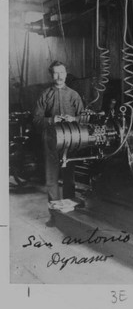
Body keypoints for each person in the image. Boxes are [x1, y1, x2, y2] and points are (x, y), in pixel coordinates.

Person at [33, 60, 84, 203]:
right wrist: (51, 120)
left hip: (70, 141)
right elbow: (36, 120)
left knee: (69, 178)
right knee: (51, 179)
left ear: (66, 74)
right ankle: (54, 213)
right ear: (51, 75)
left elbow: (85, 119)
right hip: (50, 142)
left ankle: (69, 209)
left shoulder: (74, 95)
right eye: (56, 73)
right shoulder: (45, 95)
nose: (59, 76)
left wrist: (74, 118)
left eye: (62, 72)